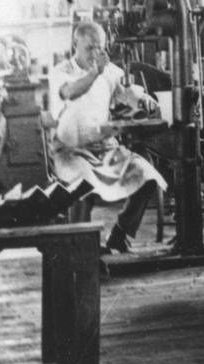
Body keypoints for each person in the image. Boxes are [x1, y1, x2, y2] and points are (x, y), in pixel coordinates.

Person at [48, 20, 166, 254]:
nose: (95, 54)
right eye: (89, 48)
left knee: (148, 176)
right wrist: (95, 73)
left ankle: (120, 235)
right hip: (70, 150)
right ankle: (82, 247)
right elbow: (70, 92)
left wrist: (143, 99)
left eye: (100, 48)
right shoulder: (61, 72)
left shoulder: (108, 70)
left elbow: (126, 93)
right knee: (83, 184)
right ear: (75, 45)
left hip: (104, 148)